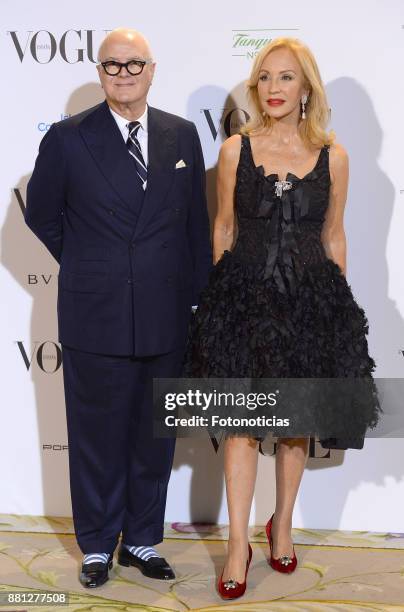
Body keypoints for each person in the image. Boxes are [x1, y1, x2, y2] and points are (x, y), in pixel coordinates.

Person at [183, 37, 380, 600]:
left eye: (286, 78)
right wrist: (222, 302)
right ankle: (239, 544)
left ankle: (282, 523)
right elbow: (224, 228)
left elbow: (334, 234)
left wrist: (340, 311)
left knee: (294, 421)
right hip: (243, 300)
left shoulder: (335, 157)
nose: (273, 89)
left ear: (306, 88)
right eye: (264, 77)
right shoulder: (234, 151)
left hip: (311, 302)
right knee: (242, 423)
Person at [25, 28, 211, 588]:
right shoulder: (67, 137)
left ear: (152, 71)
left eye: (134, 65)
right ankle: (99, 545)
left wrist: (196, 300)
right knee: (95, 435)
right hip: (95, 312)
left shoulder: (181, 136)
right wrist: (89, 263)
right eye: (112, 64)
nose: (124, 73)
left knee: (154, 435)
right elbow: (41, 214)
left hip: (166, 312)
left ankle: (145, 539)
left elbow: (195, 230)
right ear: (100, 71)